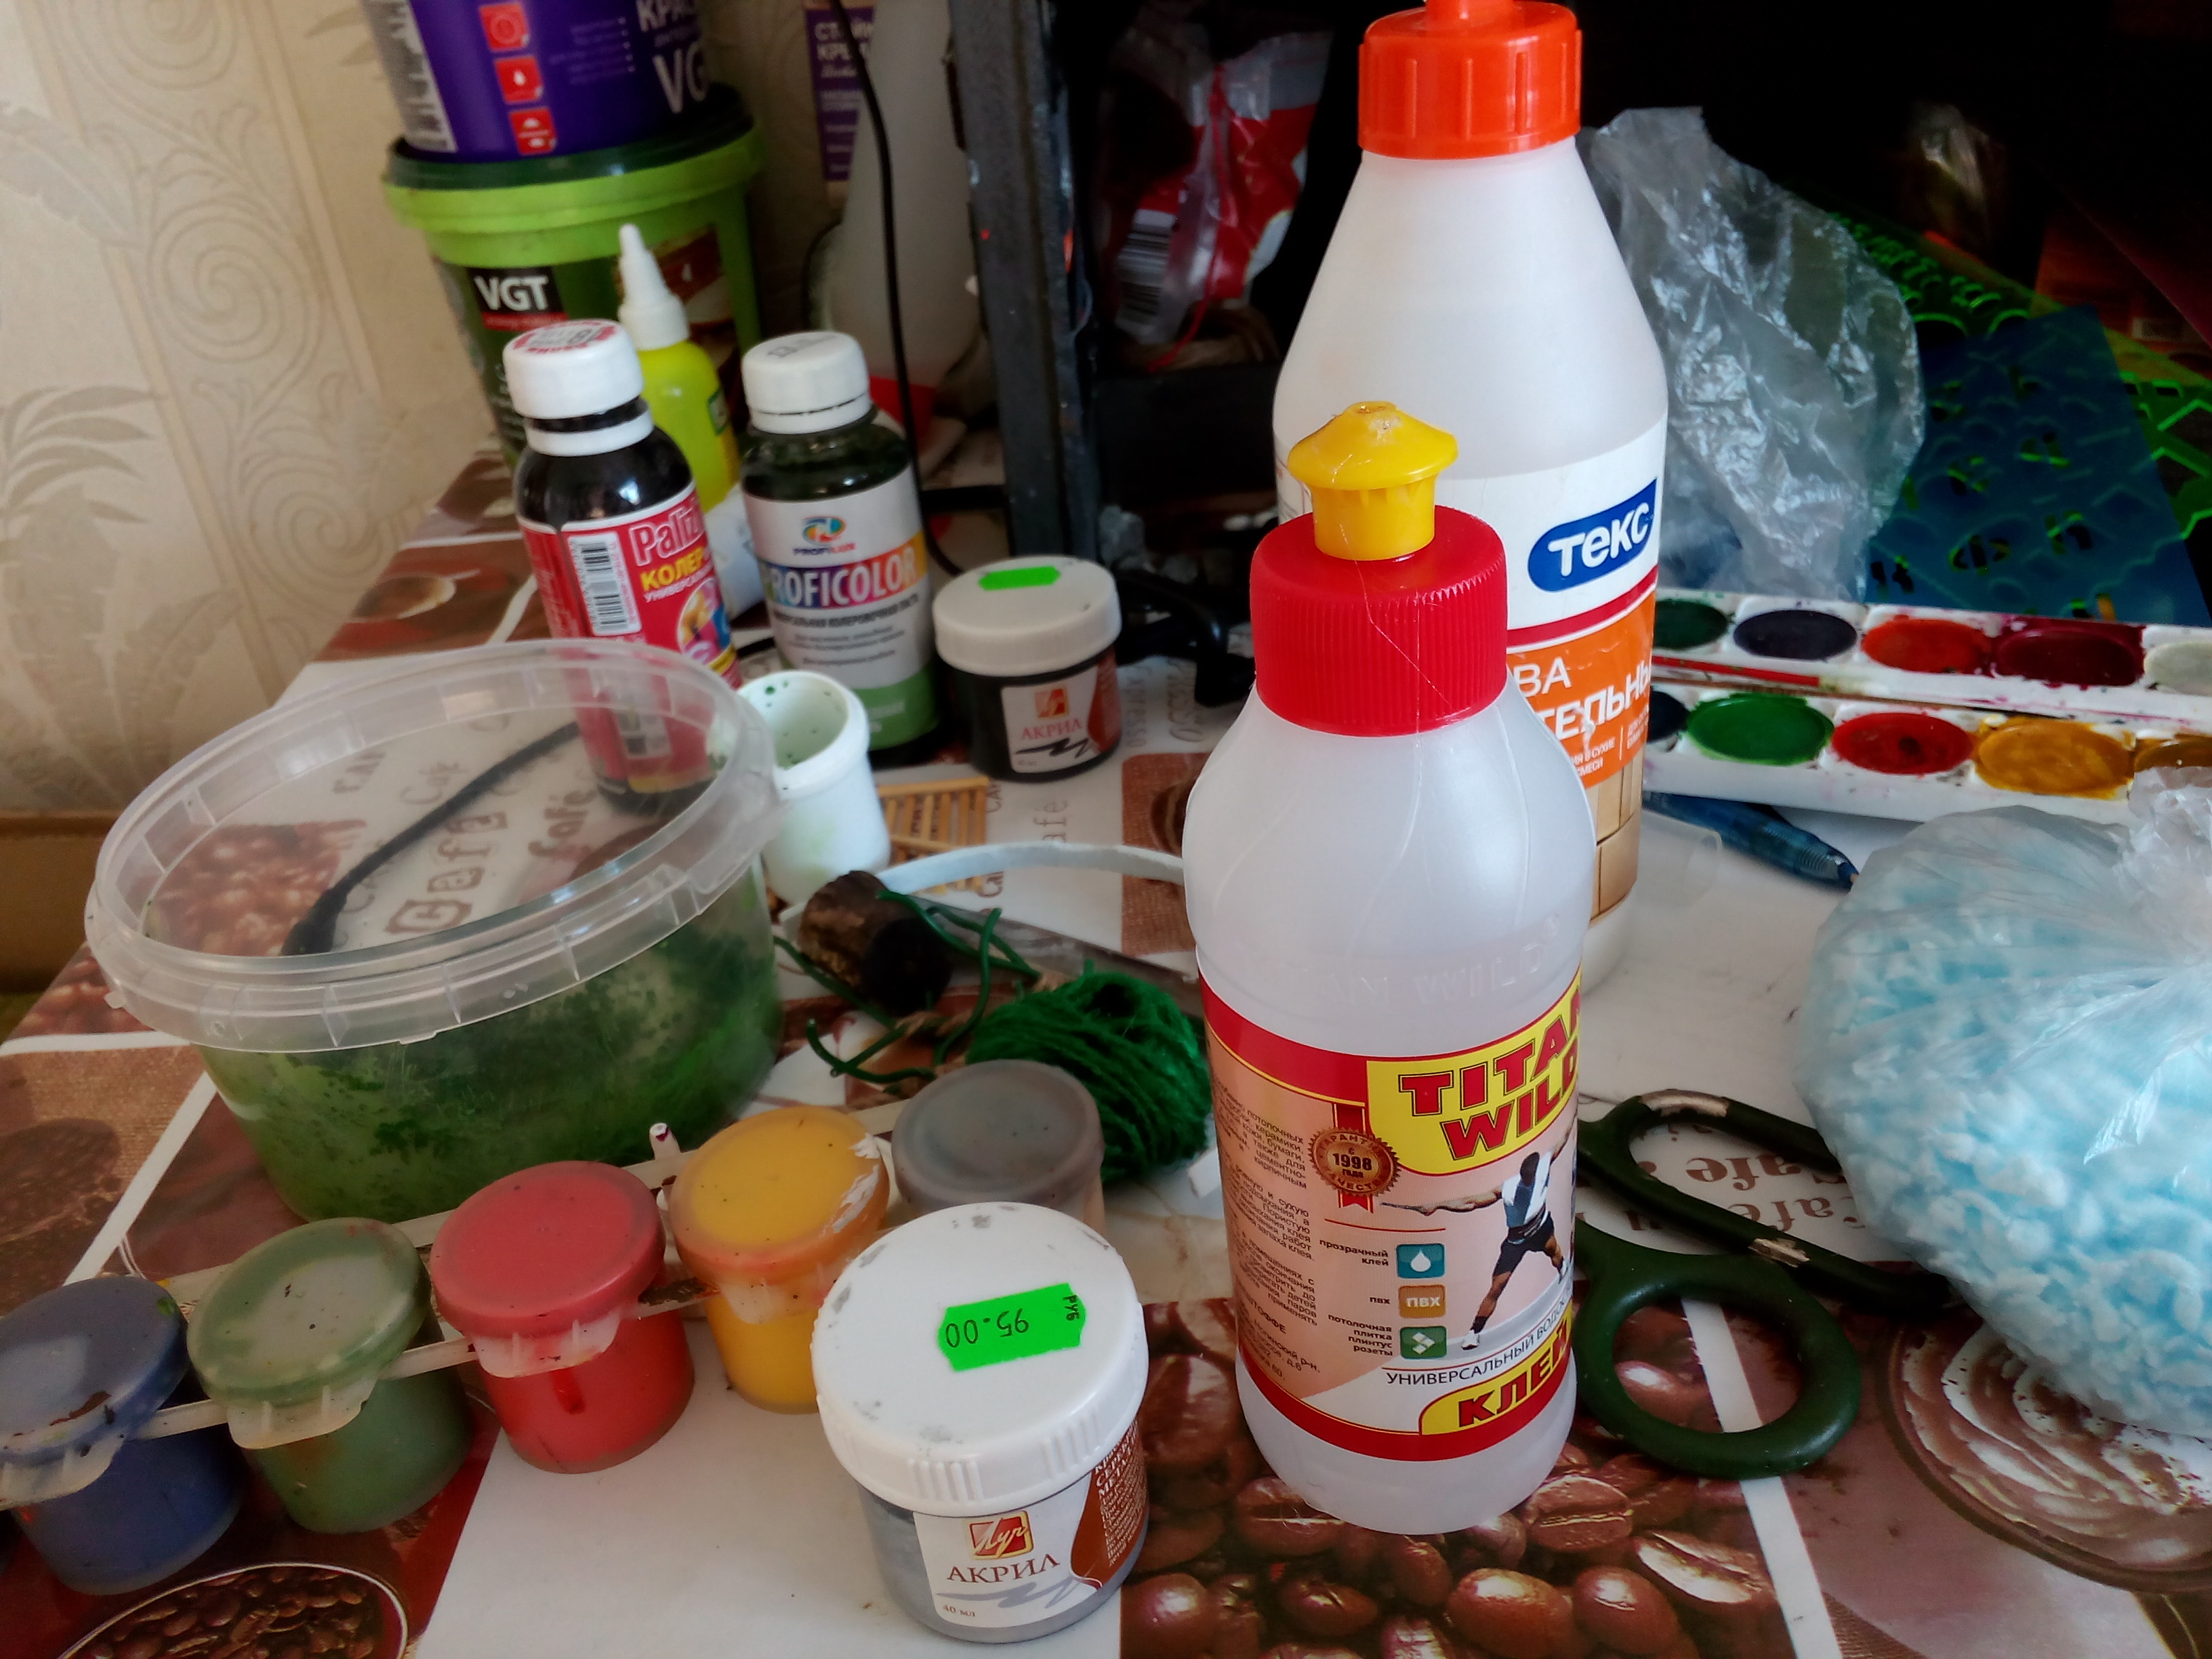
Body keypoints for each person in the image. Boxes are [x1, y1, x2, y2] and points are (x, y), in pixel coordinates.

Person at [1382, 1148, 1563, 1351]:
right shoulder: (1508, 1190)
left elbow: (1562, 1140)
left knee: (1555, 1252)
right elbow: (1471, 1202)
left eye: (1532, 1177)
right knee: (1497, 1287)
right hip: (1516, 1240)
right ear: (1522, 1176)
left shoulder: (1544, 1167)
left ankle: (1563, 1271)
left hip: (1541, 1227)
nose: (1530, 1181)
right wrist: (1438, 1205)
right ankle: (1474, 1333)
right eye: (1527, 1178)